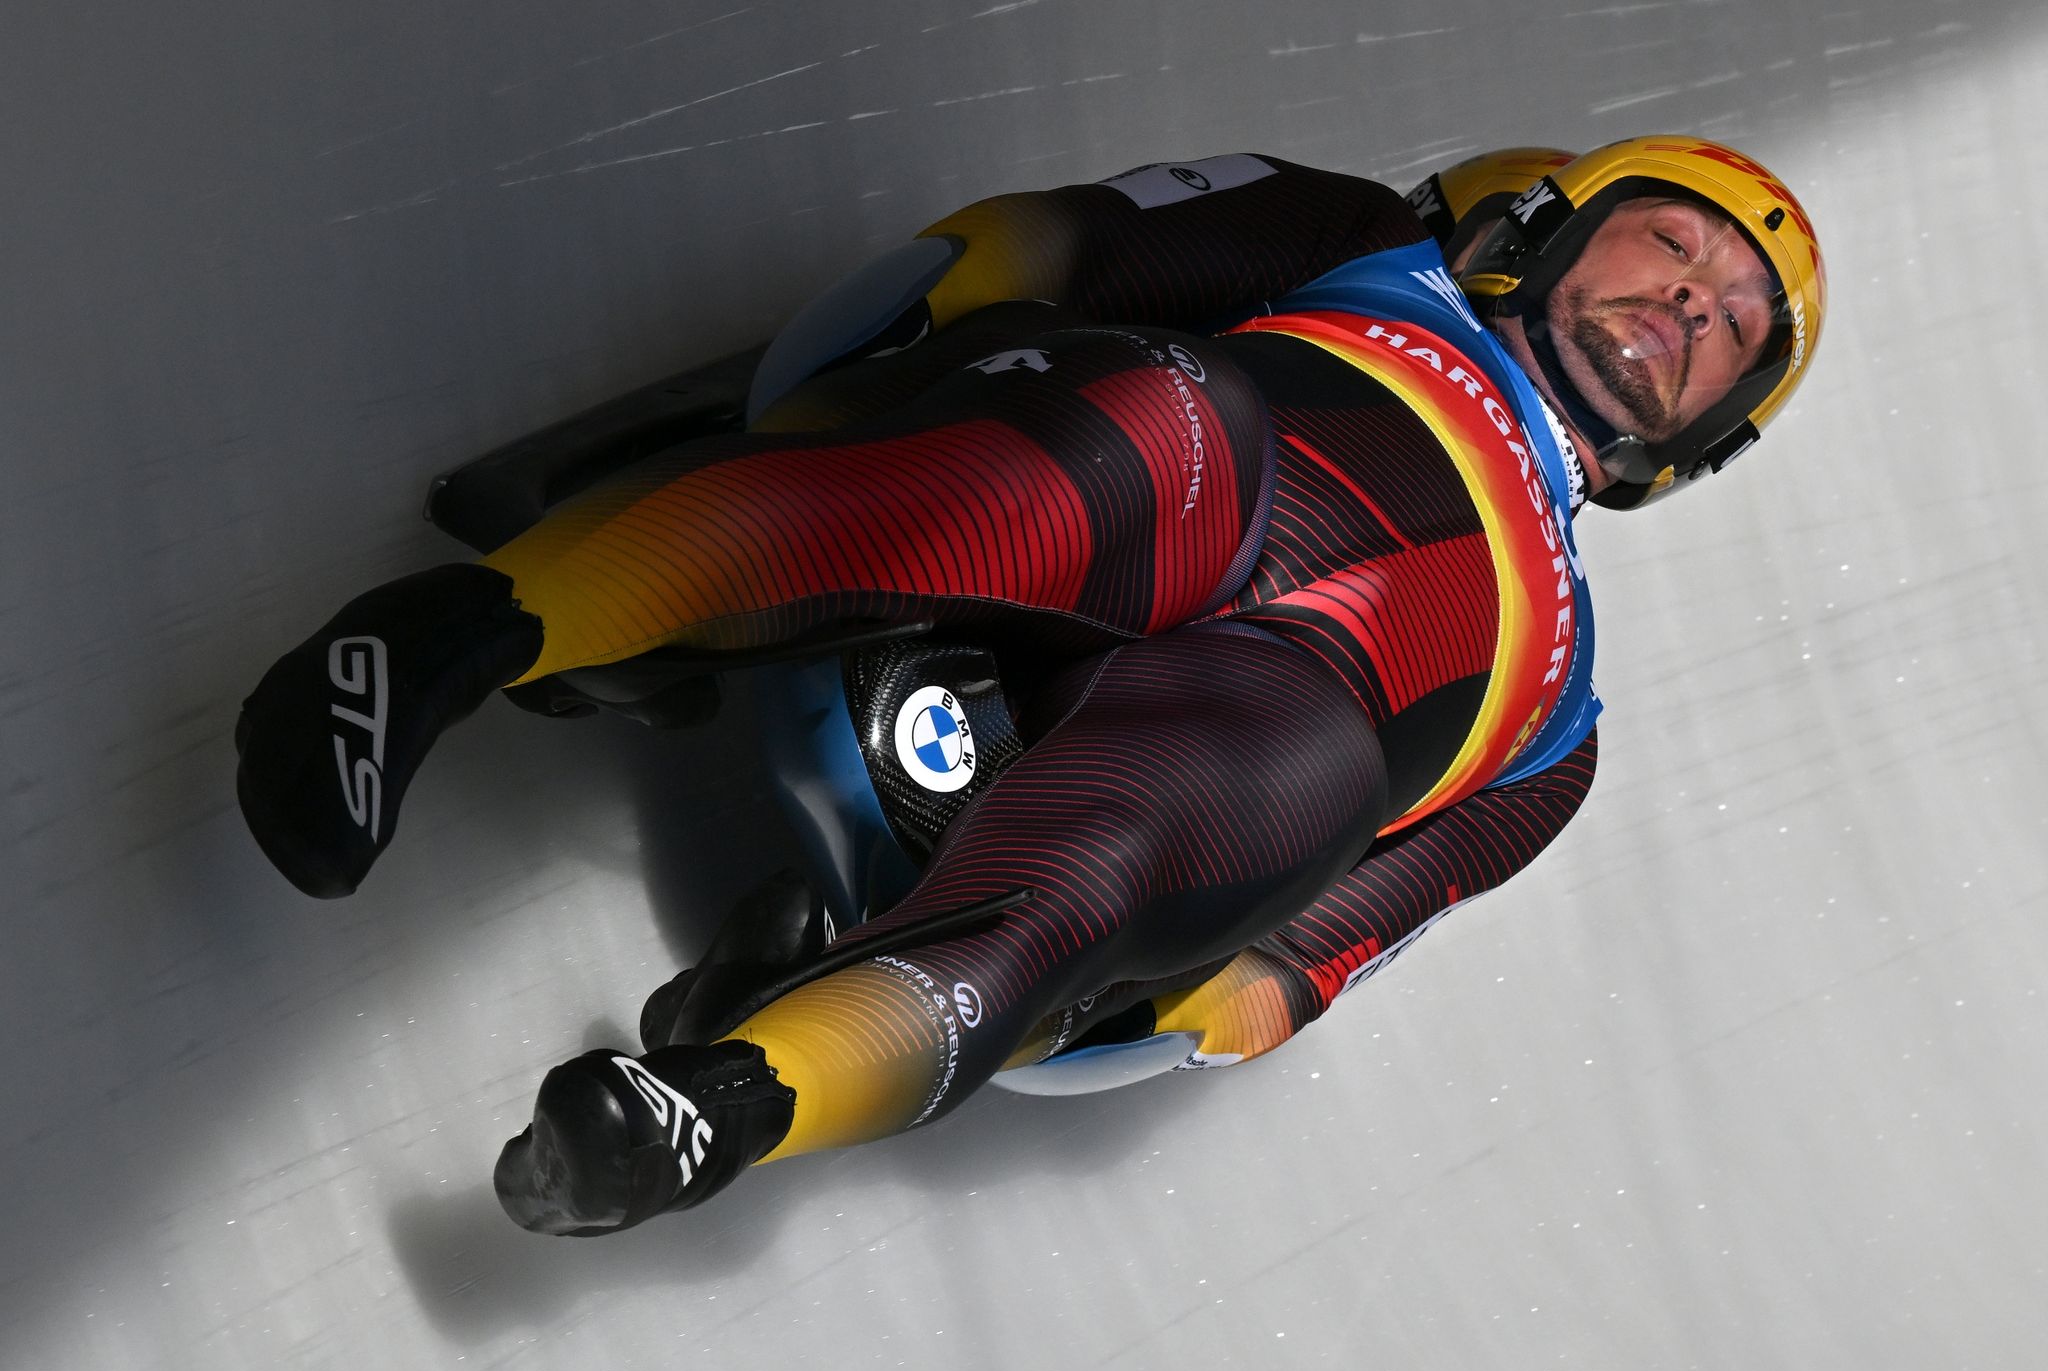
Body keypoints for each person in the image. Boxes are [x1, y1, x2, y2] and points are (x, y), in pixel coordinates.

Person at [233, 135, 1825, 1235]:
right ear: (1560, 221)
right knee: (1170, 438)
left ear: (1702, 436)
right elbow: (1056, 241)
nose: (1690, 301)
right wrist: (902, 342)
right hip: (1113, 489)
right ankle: (446, 638)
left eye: (1732, 325)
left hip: (1202, 752)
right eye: (1672, 240)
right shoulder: (1363, 243)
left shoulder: (1558, 728)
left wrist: (1186, 998)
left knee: (1300, 773)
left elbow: (1314, 951)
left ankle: (726, 1102)